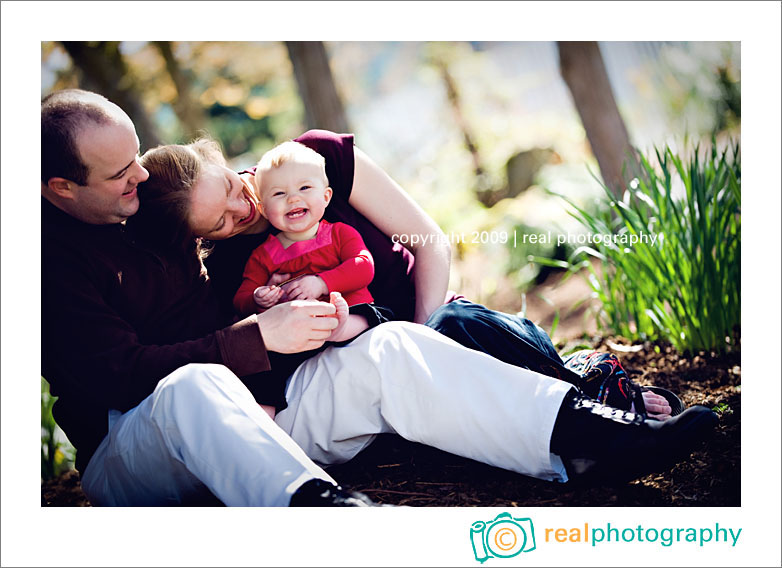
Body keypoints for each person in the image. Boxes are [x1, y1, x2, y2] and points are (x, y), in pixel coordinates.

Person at [131, 134, 720, 494]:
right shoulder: (240, 265)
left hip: (424, 315)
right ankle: (586, 419)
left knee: (455, 330)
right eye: (223, 221)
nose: (249, 206)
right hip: (364, 359)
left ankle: (583, 392)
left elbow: (429, 241)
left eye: (235, 186)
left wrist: (418, 331)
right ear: (202, 239)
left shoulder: (317, 160)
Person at [41, 89, 380, 507]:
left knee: (388, 350)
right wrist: (254, 336)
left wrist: (269, 306)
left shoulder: (148, 202)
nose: (141, 176)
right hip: (132, 446)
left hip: (242, 415)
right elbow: (119, 376)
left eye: (136, 156)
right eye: (119, 173)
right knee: (192, 385)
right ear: (62, 187)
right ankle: (322, 506)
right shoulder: (46, 262)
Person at [233, 140, 383, 347]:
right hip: (299, 335)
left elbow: (363, 267)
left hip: (354, 313)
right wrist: (257, 298)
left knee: (363, 315)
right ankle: (324, 333)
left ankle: (338, 328)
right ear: (264, 209)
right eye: (279, 193)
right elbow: (241, 298)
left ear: (325, 196)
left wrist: (321, 283)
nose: (293, 199)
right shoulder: (263, 256)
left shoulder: (339, 233)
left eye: (304, 187)